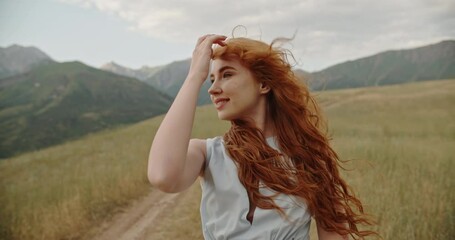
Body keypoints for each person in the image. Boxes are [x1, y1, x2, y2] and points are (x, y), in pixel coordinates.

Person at [147, 34, 376, 239]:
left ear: (264, 83)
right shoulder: (208, 153)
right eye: (211, 79)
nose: (213, 88)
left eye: (226, 75)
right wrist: (194, 77)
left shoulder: (308, 157)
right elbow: (162, 176)